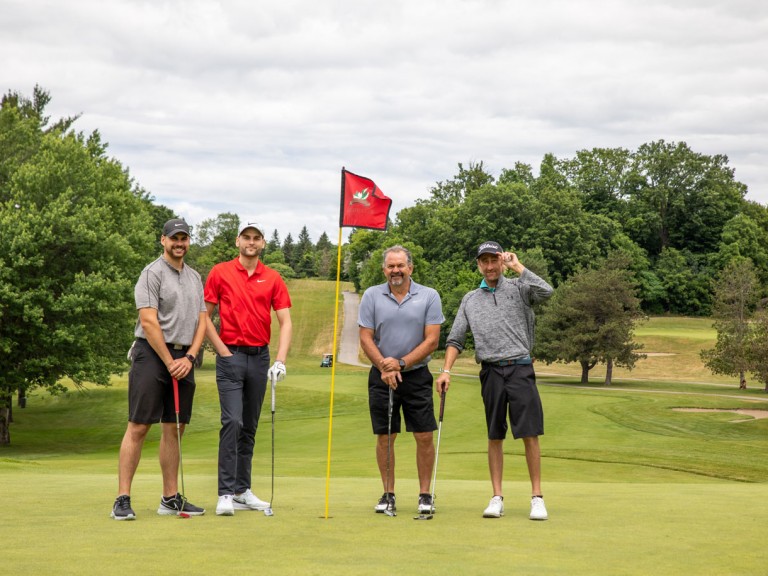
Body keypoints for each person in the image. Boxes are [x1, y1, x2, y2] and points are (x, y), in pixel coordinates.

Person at [436, 241, 553, 520]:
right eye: (484, 261)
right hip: (490, 371)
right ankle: (496, 497)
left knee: (529, 433)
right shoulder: (470, 299)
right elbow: (455, 339)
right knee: (494, 434)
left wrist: (518, 266)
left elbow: (547, 292)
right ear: (478, 264)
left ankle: (537, 497)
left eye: (494, 261)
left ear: (501, 262)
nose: (489, 266)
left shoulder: (519, 288)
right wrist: (446, 370)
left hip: (520, 367)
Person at [112, 218, 208, 520]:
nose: (180, 243)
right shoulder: (151, 273)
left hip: (184, 358)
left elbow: (202, 320)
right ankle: (122, 499)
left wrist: (190, 358)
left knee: (175, 428)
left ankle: (169, 499)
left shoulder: (194, 277)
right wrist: (170, 362)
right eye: (174, 238)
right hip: (153, 356)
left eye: (184, 238)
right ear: (163, 240)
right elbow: (150, 321)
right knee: (139, 425)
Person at [204, 221, 292, 516]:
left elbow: (286, 321)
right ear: (237, 241)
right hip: (231, 356)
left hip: (260, 358)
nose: (251, 242)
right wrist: (222, 351)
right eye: (246, 237)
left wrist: (280, 360)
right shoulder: (220, 272)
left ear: (263, 243)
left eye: (256, 238)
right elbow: (205, 316)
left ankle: (242, 490)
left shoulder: (273, 278)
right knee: (232, 422)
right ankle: (225, 493)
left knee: (250, 426)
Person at [358, 245, 444, 515]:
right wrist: (385, 366)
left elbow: (432, 340)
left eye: (400, 265)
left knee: (424, 435)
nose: (395, 270)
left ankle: (425, 494)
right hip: (381, 375)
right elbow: (365, 337)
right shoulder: (372, 295)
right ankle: (388, 493)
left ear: (410, 268)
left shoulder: (429, 296)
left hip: (416, 375)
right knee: (385, 436)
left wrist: (402, 362)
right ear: (384, 269)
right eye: (390, 266)